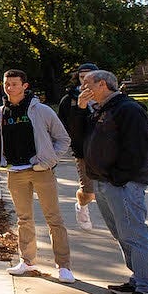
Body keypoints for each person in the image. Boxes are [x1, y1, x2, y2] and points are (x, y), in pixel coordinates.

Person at [81, 70, 148, 294]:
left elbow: (136, 150)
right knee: (122, 235)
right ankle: (138, 279)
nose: (83, 88)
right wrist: (79, 109)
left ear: (103, 84)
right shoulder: (100, 109)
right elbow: (78, 140)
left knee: (135, 235)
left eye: (88, 84)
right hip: (105, 182)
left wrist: (118, 177)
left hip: (123, 184)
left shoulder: (128, 109)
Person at [0, 69, 75, 283]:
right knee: (23, 219)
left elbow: (63, 139)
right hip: (15, 172)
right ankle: (27, 261)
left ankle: (63, 265)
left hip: (40, 170)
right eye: (7, 84)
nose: (10, 88)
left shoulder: (42, 111)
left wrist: (49, 160)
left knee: (53, 218)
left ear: (25, 86)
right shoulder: (0, 113)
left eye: (15, 84)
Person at [57, 63, 101, 229]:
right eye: (83, 77)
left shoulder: (106, 96)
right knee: (89, 192)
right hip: (83, 150)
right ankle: (81, 206)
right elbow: (65, 127)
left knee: (109, 192)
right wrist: (81, 107)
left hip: (108, 150)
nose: (86, 82)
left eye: (91, 77)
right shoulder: (69, 100)